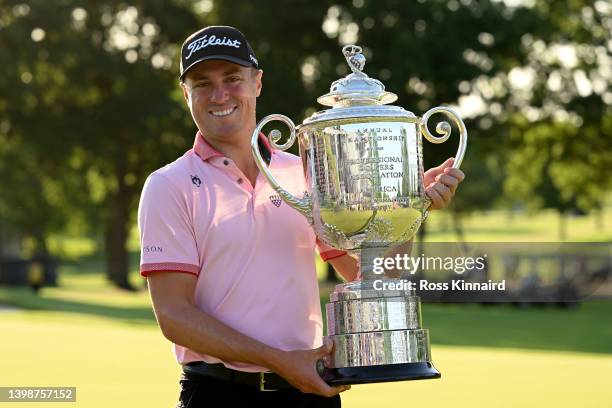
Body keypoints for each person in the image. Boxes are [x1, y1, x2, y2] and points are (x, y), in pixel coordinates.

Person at [138, 25, 465, 408]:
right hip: (218, 394)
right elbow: (175, 316)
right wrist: (281, 361)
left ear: (257, 82)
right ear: (185, 93)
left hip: (308, 390)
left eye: (232, 79)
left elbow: (373, 276)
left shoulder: (307, 171)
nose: (220, 94)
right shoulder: (168, 185)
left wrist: (408, 211)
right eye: (203, 83)